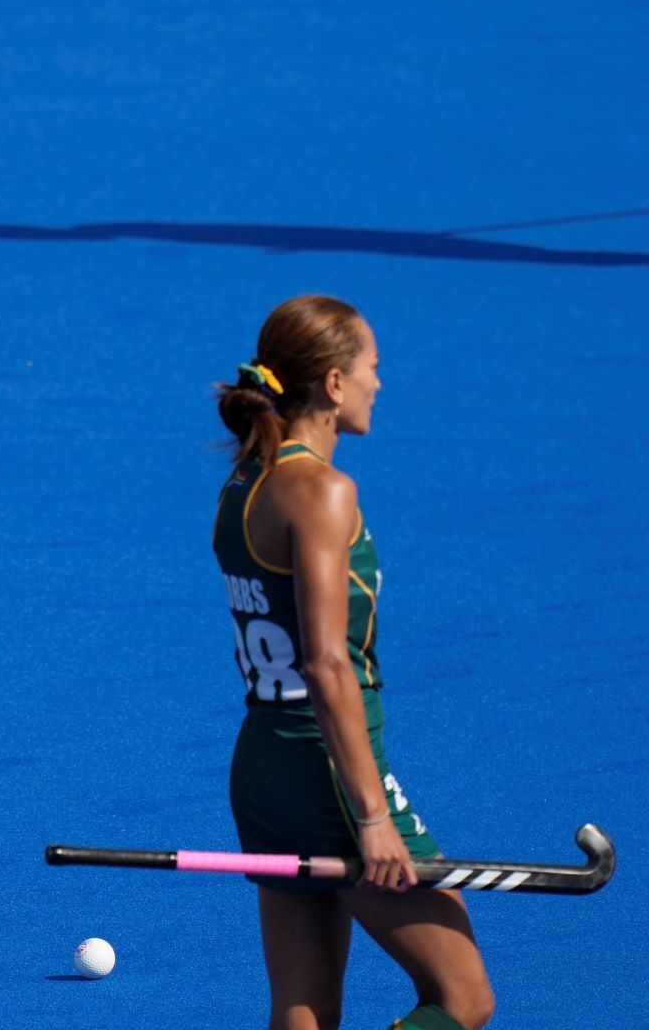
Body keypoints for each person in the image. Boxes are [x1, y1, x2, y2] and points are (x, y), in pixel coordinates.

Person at [214, 295, 494, 1030]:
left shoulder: (242, 485)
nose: (379, 383)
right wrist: (372, 817)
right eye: (372, 368)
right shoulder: (323, 492)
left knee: (303, 1010)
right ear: (333, 384)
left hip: (263, 768)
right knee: (463, 997)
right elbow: (328, 663)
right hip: (331, 771)